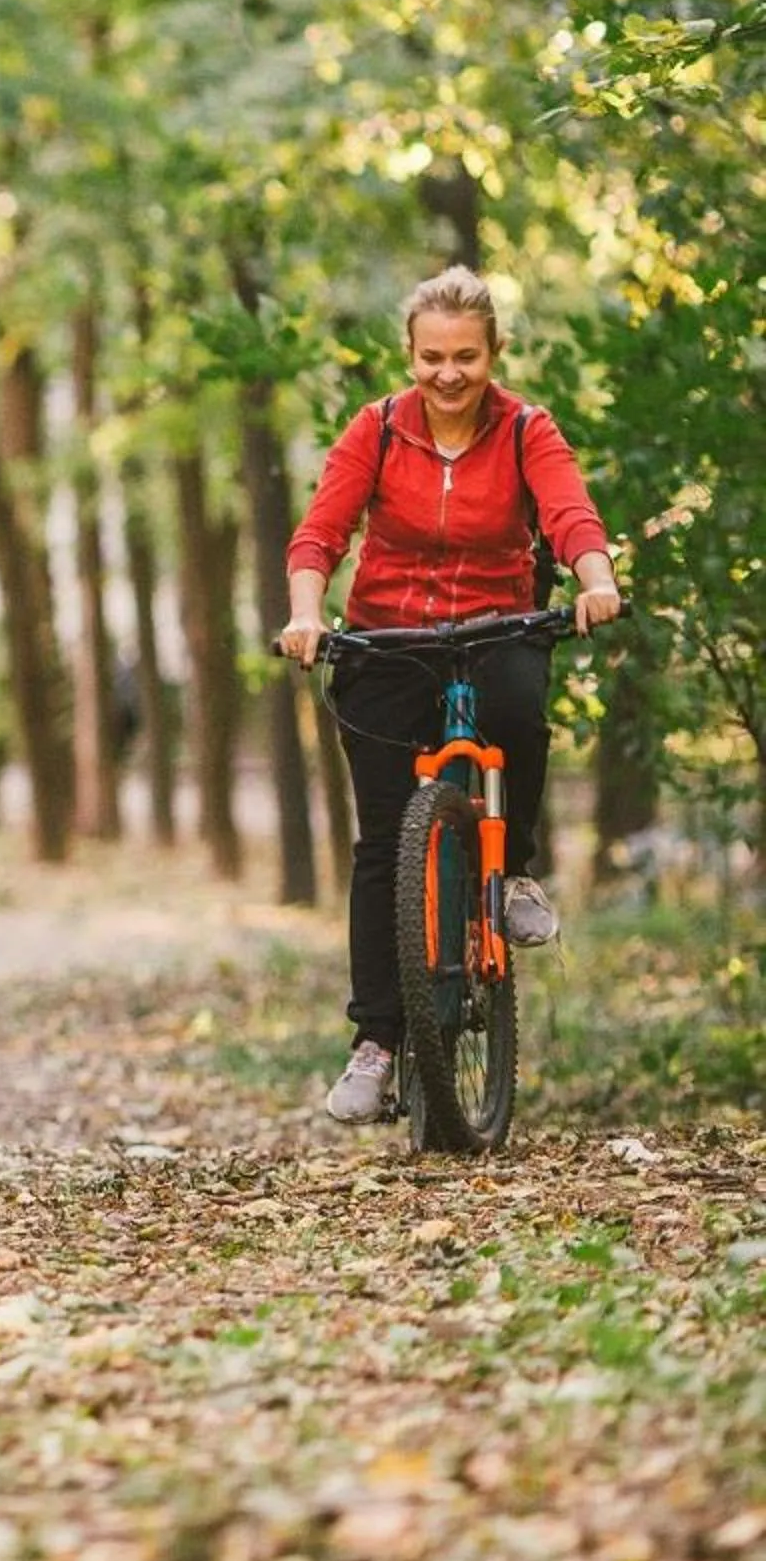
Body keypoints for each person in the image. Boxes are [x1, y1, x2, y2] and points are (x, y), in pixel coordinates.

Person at [279, 266, 622, 1126]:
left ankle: (515, 872)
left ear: (493, 352)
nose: (448, 374)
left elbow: (570, 515)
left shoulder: (526, 430)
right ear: (410, 354)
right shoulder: (377, 430)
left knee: (518, 713)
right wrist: (306, 615)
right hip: (390, 638)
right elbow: (321, 533)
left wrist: (596, 579)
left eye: (465, 356)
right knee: (382, 845)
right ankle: (376, 1043)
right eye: (432, 357)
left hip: (495, 627)